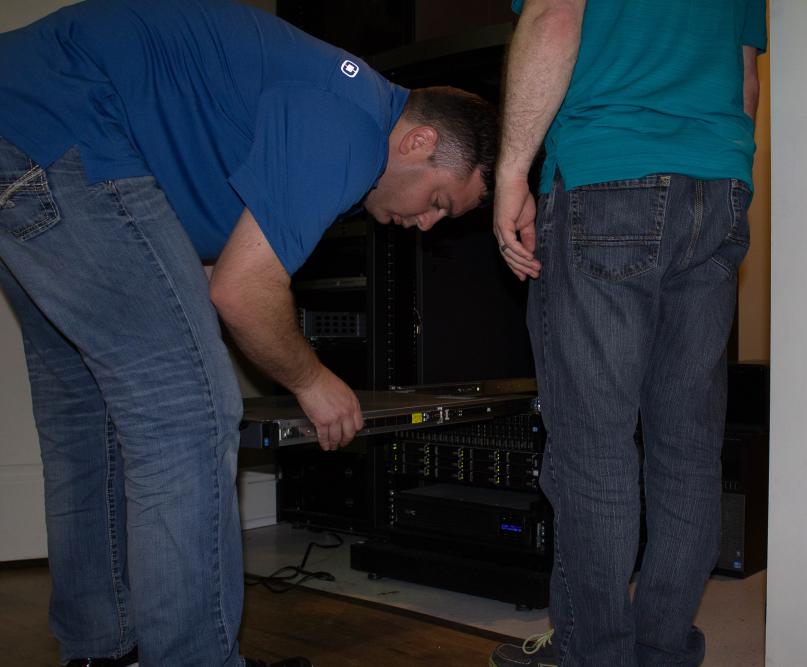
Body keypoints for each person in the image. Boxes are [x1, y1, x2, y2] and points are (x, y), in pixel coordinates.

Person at [0, 0, 496, 665]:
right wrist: (312, 380)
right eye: (438, 201)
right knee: (189, 412)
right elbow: (241, 290)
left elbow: (205, 253)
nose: (428, 225)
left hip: (23, 120)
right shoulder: (351, 127)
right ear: (419, 142)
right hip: (68, 128)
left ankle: (101, 651)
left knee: (84, 415)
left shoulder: (328, 98)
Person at [490, 1, 765, 665]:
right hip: (719, 183)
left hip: (608, 169)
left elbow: (554, 15)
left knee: (594, 445)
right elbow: (745, 78)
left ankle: (595, 655)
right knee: (687, 446)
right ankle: (661, 650)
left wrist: (511, 171)